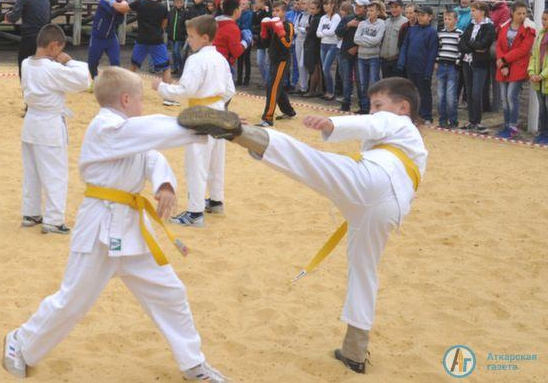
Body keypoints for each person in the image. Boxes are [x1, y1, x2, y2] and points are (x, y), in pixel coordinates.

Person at [176, 76, 427, 375]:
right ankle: (354, 349)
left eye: (378, 105)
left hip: (374, 180)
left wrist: (333, 124)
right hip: (389, 209)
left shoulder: (400, 123)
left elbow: (376, 124)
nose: (373, 111)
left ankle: (241, 133)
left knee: (306, 160)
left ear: (403, 107)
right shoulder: (414, 146)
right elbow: (375, 129)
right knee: (364, 270)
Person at [3, 67, 227, 382]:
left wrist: (164, 184)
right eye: (140, 100)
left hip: (132, 230)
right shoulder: (105, 128)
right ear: (125, 99)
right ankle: (19, 344)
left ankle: (193, 363)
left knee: (170, 292)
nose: (142, 106)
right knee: (73, 301)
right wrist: (198, 125)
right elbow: (146, 133)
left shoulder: (126, 131)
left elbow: (151, 156)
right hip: (99, 229)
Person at [154, 15, 234, 227]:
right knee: (217, 160)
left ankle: (195, 213)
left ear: (205, 38)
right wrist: (216, 102)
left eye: (191, 36)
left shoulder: (196, 60)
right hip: (219, 111)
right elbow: (229, 91)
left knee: (197, 163)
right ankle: (216, 201)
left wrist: (161, 87)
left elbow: (186, 90)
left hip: (200, 114)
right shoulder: (221, 59)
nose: (188, 40)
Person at [19, 24, 90, 234]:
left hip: (31, 122)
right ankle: (53, 220)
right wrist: (69, 62)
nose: (59, 55)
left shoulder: (26, 64)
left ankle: (31, 213)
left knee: (32, 172)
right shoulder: (52, 69)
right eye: (59, 50)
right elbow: (84, 81)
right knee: (55, 174)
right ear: (53, 46)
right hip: (48, 126)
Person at [494, 1, 535, 139]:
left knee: (512, 96)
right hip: (504, 67)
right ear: (512, 12)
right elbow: (499, 45)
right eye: (519, 13)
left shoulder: (529, 28)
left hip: (518, 66)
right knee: (504, 99)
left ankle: (513, 126)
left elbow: (523, 49)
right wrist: (503, 65)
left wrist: (504, 60)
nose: (522, 16)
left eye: (524, 13)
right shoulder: (504, 26)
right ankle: (506, 125)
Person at [257, 0, 297, 127]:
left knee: (272, 86)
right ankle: (289, 111)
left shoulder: (288, 25)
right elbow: (265, 44)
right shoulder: (271, 24)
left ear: (284, 12)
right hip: (273, 59)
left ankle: (268, 118)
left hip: (282, 61)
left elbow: (287, 44)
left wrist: (279, 31)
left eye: (278, 11)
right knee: (275, 85)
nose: (275, 13)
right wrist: (264, 32)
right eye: (273, 10)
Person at [458, 1, 496, 133]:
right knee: (469, 93)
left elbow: (484, 44)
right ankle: (471, 121)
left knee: (476, 93)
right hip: (467, 62)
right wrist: (473, 47)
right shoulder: (471, 25)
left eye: (473, 11)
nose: (471, 13)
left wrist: (471, 46)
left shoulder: (489, 26)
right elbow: (462, 43)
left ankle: (477, 121)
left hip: (480, 64)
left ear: (482, 12)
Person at [4, 0, 51, 79]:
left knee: (24, 67)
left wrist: (7, 15)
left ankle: (27, 91)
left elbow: (13, 18)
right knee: (40, 68)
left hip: (30, 37)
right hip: (44, 38)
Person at [397, 6, 438, 124]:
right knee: (412, 93)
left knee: (424, 92)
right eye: (419, 15)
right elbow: (405, 46)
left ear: (430, 17)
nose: (420, 17)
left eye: (423, 15)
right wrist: (401, 62)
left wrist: (428, 72)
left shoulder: (432, 33)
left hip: (423, 68)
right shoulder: (412, 30)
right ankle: (414, 114)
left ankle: (427, 116)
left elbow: (432, 54)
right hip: (411, 67)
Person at [130, 0, 173, 98]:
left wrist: (111, 0)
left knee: (133, 65)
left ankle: (126, 90)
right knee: (166, 68)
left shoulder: (140, 3)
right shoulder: (163, 7)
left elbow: (124, 8)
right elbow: (164, 24)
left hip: (142, 39)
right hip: (156, 39)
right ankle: (167, 96)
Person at [88, 0, 130, 80]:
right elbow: (115, 10)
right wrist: (123, 7)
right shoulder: (105, 0)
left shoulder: (116, 1)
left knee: (115, 62)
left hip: (111, 37)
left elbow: (120, 21)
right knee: (92, 62)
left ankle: (116, 83)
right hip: (97, 37)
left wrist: (123, 7)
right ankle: (95, 80)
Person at [335, 0, 369, 112]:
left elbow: (370, 39)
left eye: (360, 6)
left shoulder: (368, 20)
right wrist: (348, 25)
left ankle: (363, 106)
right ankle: (346, 104)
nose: (357, 8)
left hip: (361, 54)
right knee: (346, 79)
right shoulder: (348, 18)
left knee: (361, 81)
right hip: (345, 53)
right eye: (356, 6)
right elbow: (338, 32)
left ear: (365, 8)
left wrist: (357, 47)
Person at [354, 3, 385, 112]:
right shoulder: (362, 23)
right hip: (361, 57)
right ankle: (364, 107)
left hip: (374, 57)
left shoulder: (381, 24)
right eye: (368, 10)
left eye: (372, 10)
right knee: (363, 84)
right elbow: (356, 39)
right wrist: (369, 41)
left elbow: (377, 41)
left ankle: (375, 109)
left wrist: (364, 38)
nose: (369, 13)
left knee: (374, 83)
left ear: (378, 12)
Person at [435, 10, 463, 128]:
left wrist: (457, 62)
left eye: (450, 19)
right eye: (446, 19)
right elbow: (438, 48)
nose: (447, 21)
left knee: (451, 95)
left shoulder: (460, 33)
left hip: (452, 66)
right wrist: (436, 61)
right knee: (440, 95)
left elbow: (461, 50)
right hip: (441, 65)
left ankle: (453, 120)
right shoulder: (440, 33)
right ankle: (442, 120)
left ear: (456, 20)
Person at [214, 0, 252, 72]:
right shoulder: (232, 27)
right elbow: (236, 52)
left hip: (213, 61)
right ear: (236, 11)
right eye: (240, 7)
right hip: (224, 64)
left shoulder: (214, 22)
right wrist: (245, 41)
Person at [528, 9, 548, 144]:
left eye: (546, 19)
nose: (543, 21)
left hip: (544, 77)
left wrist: (542, 75)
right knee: (542, 107)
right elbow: (534, 56)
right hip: (538, 78)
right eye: (542, 19)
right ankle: (543, 132)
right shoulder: (540, 35)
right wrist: (531, 72)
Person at [317, 0, 341, 100]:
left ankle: (331, 92)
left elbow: (333, 32)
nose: (325, 6)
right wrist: (325, 32)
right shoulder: (323, 17)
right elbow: (317, 33)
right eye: (324, 4)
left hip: (332, 45)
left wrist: (323, 32)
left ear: (333, 5)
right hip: (323, 44)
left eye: (327, 4)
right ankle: (328, 91)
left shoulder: (336, 17)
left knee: (325, 68)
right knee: (324, 69)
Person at [380, 0, 407, 78]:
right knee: (386, 84)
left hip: (396, 59)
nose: (393, 9)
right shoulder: (386, 22)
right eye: (391, 7)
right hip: (384, 60)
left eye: (396, 7)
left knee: (396, 85)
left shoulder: (405, 23)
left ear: (402, 8)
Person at [303, 0, 324, 98]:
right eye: (310, 8)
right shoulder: (315, 17)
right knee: (317, 67)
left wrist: (307, 29)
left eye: (313, 8)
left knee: (314, 68)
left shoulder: (316, 19)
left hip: (313, 45)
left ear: (318, 9)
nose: (311, 10)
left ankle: (312, 90)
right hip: (314, 44)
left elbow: (311, 32)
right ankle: (319, 89)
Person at [251, 0, 272, 87]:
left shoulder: (268, 11)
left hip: (268, 40)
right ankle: (265, 80)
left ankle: (268, 82)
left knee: (267, 62)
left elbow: (266, 23)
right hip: (260, 41)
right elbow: (254, 23)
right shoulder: (257, 12)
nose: (256, 4)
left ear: (263, 2)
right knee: (260, 62)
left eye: (257, 2)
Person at [293, 0, 311, 95]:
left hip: (306, 42)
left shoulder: (310, 16)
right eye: (300, 3)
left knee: (302, 64)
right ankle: (301, 86)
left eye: (303, 3)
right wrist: (301, 29)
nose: (301, 5)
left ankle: (305, 87)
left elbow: (309, 30)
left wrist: (302, 30)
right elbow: (295, 29)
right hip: (298, 41)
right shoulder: (300, 15)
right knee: (299, 65)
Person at [167, 0, 187, 76]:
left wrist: (183, 32)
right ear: (174, 3)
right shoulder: (171, 12)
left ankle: (181, 67)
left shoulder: (185, 12)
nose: (178, 4)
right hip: (171, 35)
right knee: (173, 53)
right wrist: (168, 30)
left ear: (183, 3)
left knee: (176, 51)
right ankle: (175, 67)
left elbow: (185, 24)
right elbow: (168, 22)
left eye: (180, 2)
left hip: (179, 36)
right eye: (177, 2)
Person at [236, 0, 253, 86]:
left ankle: (246, 79)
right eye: (241, 4)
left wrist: (238, 25)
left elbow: (246, 26)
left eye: (243, 4)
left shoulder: (250, 14)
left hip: (246, 38)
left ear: (247, 5)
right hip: (239, 38)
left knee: (246, 59)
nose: (241, 6)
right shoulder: (238, 13)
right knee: (240, 59)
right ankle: (239, 79)